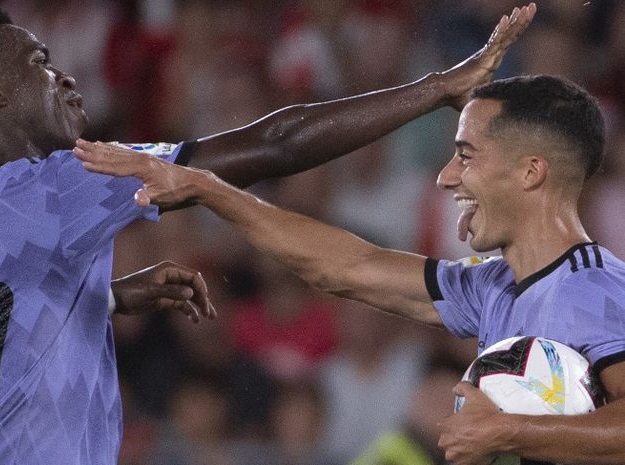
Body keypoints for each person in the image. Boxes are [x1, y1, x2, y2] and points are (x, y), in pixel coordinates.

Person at [0, 2, 534, 464]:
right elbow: (276, 142)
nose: (63, 76)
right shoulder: (58, 184)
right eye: (40, 63)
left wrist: (100, 297)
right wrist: (438, 89)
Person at [76, 8, 625, 465]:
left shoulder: (597, 290)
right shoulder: (494, 287)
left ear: (531, 172)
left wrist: (509, 432)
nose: (445, 176)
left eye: (466, 155)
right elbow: (346, 267)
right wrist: (209, 189)